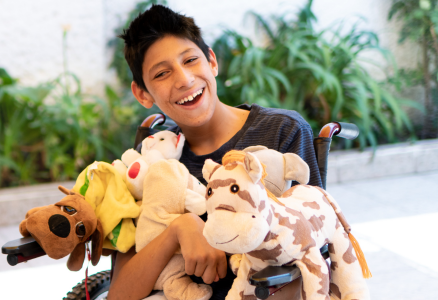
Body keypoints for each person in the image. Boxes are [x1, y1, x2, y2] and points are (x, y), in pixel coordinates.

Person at [107, 5, 322, 300]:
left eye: (191, 60)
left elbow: (303, 261)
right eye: (162, 73)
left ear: (212, 62)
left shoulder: (282, 133)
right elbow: (120, 293)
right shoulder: (154, 161)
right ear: (143, 94)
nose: (184, 79)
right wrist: (179, 229)